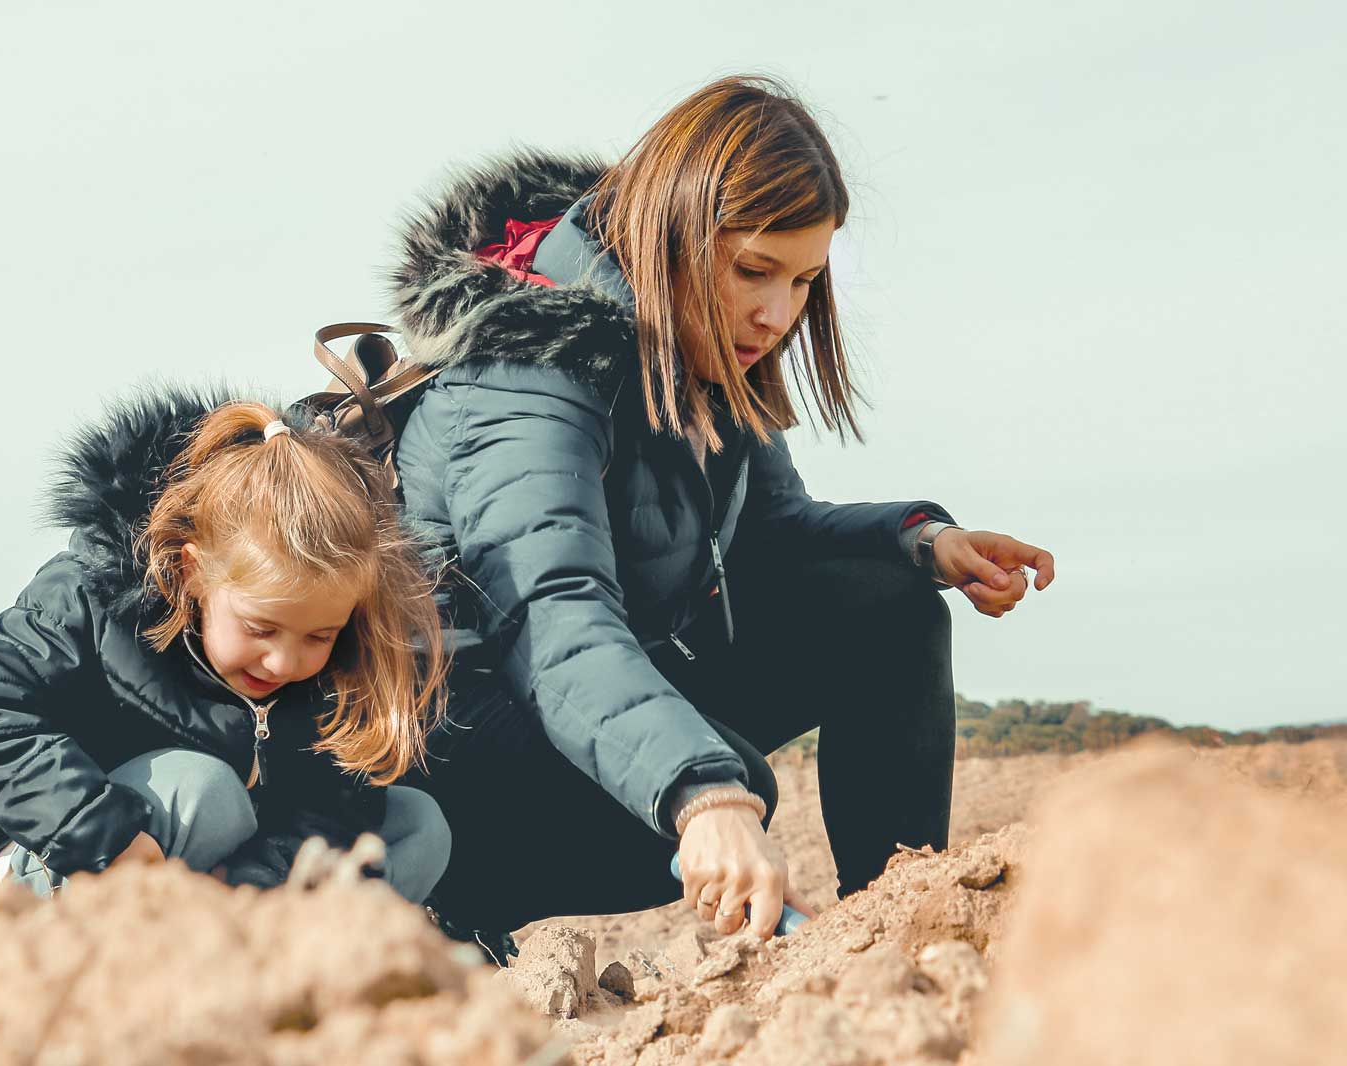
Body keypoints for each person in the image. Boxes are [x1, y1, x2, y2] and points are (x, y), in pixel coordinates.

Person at [387, 76, 1055, 955]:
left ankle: (897, 934)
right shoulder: (524, 369)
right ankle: (449, 907)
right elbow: (550, 612)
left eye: (805, 280)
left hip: (601, 675)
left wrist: (923, 543)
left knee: (891, 608)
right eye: (753, 271)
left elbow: (775, 533)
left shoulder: (703, 351)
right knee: (734, 781)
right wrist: (700, 792)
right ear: (670, 234)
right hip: (462, 732)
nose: (778, 315)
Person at [0, 389, 451, 903]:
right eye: (261, 629)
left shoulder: (346, 657)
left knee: (416, 824)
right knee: (204, 791)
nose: (284, 661)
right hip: (90, 854)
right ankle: (70, 938)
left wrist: (257, 887)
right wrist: (105, 834)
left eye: (320, 636)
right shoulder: (85, 597)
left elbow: (331, 807)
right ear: (191, 569)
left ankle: (262, 950)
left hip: (226, 876)